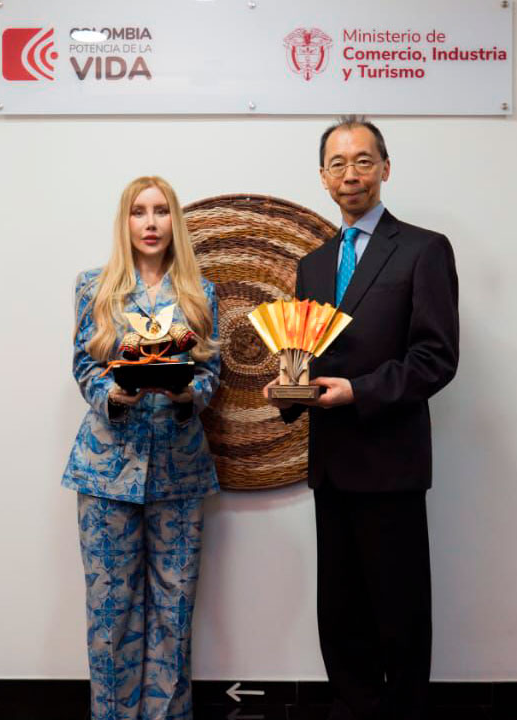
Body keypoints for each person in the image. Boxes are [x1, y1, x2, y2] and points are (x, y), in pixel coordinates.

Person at [264, 116, 460, 720]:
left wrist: (359, 392)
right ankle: (352, 708)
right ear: (323, 178)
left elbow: (436, 358)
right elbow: (306, 350)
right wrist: (287, 391)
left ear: (385, 169)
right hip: (331, 463)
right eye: (338, 164)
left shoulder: (425, 249)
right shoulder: (314, 263)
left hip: (391, 462)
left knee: (400, 610)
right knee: (340, 610)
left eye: (363, 161)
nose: (351, 174)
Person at [64, 175, 221, 720]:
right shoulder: (94, 287)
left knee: (174, 610)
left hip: (180, 469)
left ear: (174, 220)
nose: (150, 223)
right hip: (106, 473)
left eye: (160, 211)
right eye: (138, 212)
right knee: (111, 613)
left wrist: (188, 393)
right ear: (124, 221)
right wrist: (114, 394)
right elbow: (84, 366)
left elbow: (210, 373)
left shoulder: (200, 293)